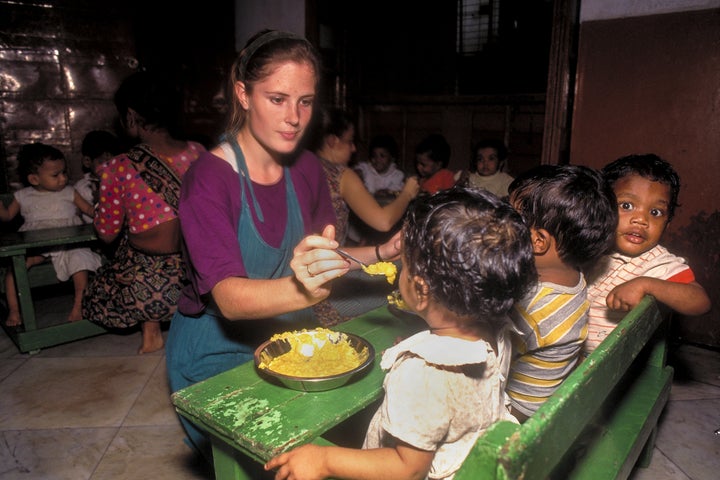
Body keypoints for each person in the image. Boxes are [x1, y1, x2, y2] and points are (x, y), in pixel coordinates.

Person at [164, 29, 403, 465]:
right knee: (275, 458)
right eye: (277, 99)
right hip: (215, 347)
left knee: (364, 418)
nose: (294, 117)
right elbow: (231, 299)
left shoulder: (308, 168)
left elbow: (322, 259)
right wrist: (305, 291)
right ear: (243, 94)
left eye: (305, 101)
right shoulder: (208, 180)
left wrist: (385, 251)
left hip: (282, 334)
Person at [265, 186, 537, 480]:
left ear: (420, 291)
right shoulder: (496, 328)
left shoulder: (422, 372)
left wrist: (325, 459)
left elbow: (408, 468)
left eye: (404, 265)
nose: (399, 269)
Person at [81, 70, 206, 354]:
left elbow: (107, 233)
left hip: (147, 291)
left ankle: (150, 333)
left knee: (111, 268)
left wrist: (100, 204)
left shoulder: (117, 167)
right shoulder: (199, 153)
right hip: (197, 279)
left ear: (131, 115)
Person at [503, 164, 617, 421]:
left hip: (517, 411)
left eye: (509, 216)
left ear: (538, 241)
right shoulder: (571, 275)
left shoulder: (530, 309)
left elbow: (485, 351)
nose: (500, 221)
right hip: (548, 398)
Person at [584, 154, 711, 355]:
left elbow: (700, 301)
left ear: (667, 223)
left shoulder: (657, 263)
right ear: (602, 207)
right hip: (570, 353)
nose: (641, 219)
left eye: (656, 212)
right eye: (627, 206)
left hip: (607, 368)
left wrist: (646, 284)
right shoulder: (592, 246)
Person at [0, 143, 102, 326]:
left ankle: (79, 305)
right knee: (14, 269)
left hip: (70, 242)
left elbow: (88, 210)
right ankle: (14, 311)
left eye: (64, 172)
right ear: (34, 179)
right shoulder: (22, 196)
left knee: (81, 260)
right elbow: (7, 216)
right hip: (36, 243)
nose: (63, 178)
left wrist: (103, 206)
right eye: (56, 175)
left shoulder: (70, 192)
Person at [309, 107, 419, 246]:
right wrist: (407, 193)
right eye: (350, 141)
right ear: (332, 141)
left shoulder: (301, 165)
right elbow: (383, 222)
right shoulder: (340, 175)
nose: (353, 148)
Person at [75, 130, 123, 223]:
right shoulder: (81, 186)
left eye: (115, 164)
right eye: (106, 163)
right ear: (87, 161)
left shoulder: (121, 181)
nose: (111, 169)